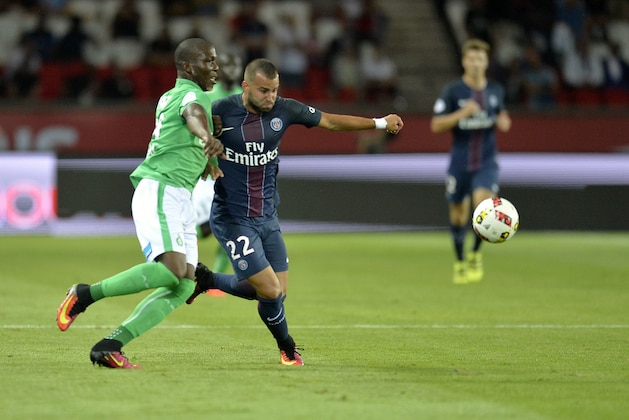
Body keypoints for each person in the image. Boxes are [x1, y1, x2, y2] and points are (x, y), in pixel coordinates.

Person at [186, 58, 404, 366]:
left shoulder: (284, 110)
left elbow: (329, 121)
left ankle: (207, 280)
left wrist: (379, 123)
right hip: (232, 218)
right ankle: (287, 348)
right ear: (246, 86)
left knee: (276, 292)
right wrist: (204, 151)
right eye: (263, 90)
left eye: (274, 90)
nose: (270, 97)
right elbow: (187, 131)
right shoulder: (220, 111)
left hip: (267, 216)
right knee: (271, 290)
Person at [55, 38, 224, 368]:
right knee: (173, 270)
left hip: (179, 196)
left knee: (184, 283)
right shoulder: (192, 96)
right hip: (162, 190)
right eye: (209, 61)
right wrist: (207, 137)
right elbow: (191, 116)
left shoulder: (170, 96)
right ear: (188, 67)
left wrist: (206, 161)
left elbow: (175, 137)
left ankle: (110, 345)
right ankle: (85, 294)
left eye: (216, 62)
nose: (215, 68)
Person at [430, 38, 511, 285]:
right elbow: (436, 125)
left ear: (486, 63)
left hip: (486, 162)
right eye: (472, 58)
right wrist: (462, 114)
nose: (476, 63)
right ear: (464, 61)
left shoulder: (495, 91)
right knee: (458, 215)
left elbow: (502, 115)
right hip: (460, 162)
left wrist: (504, 121)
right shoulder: (453, 92)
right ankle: (459, 261)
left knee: (483, 208)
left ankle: (475, 253)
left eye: (480, 59)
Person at [192, 52, 243, 278]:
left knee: (232, 224)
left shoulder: (245, 96)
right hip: (209, 168)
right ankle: (179, 265)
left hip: (234, 170)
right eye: (227, 65)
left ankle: (217, 277)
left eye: (235, 65)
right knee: (203, 228)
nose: (231, 70)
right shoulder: (208, 96)